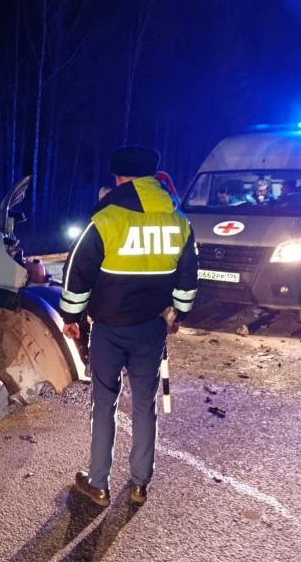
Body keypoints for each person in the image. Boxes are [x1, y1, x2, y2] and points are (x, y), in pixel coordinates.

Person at [59, 145, 198, 507]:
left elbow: (77, 272)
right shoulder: (178, 220)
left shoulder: (107, 219)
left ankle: (98, 483)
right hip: (151, 328)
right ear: (151, 178)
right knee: (144, 406)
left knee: (104, 405)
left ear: (120, 178)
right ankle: (139, 484)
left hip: (108, 328)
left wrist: (71, 318)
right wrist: (178, 314)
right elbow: (188, 276)